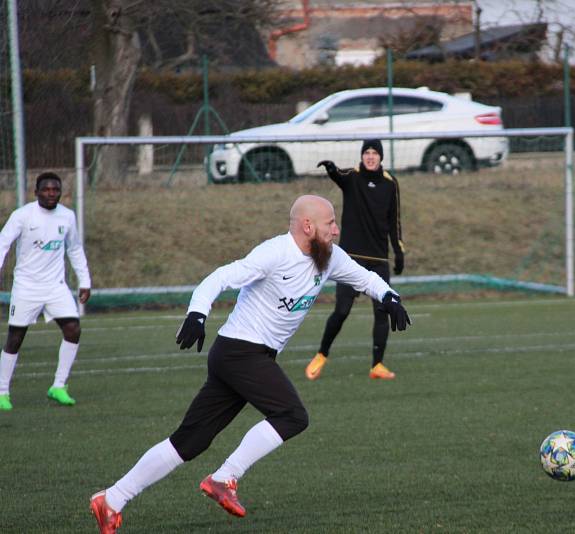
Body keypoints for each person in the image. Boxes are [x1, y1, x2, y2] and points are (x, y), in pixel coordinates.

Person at [90, 195, 410, 533]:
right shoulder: (274, 253)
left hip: (245, 357)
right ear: (307, 226)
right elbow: (219, 277)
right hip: (240, 352)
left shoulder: (329, 256)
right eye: (330, 222)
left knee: (189, 441)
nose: (336, 229)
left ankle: (111, 500)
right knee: (292, 416)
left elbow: (365, 278)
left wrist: (390, 297)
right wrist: (197, 314)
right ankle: (224, 478)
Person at [305, 139, 405, 381]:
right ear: (362, 156)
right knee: (341, 310)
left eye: (374, 153)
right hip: (351, 259)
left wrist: (398, 250)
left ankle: (377, 365)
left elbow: (394, 220)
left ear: (381, 157)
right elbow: (339, 176)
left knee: (382, 311)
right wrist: (331, 169)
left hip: (378, 258)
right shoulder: (353, 177)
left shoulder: (391, 184)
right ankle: (321, 354)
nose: (370, 156)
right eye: (367, 152)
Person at [0, 172, 91, 411]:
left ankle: (58, 386)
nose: (51, 193)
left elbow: (75, 249)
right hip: (26, 287)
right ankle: (2, 391)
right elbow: (3, 243)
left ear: (60, 192)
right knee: (15, 338)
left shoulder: (67, 217)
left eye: (55, 190)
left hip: (55, 286)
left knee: (73, 329)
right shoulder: (22, 215)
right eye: (46, 190)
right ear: (36, 192)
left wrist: (85, 281)